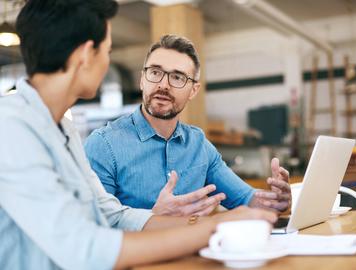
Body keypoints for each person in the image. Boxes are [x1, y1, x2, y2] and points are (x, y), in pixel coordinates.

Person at [0, 1, 278, 269]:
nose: (107, 63)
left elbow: (112, 214)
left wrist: (208, 223)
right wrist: (215, 228)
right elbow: (85, 248)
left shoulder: (63, 128)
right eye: (107, 51)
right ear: (86, 56)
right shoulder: (10, 127)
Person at [84, 34, 292, 217]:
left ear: (193, 90)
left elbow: (247, 200)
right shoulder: (103, 144)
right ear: (142, 80)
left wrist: (276, 201)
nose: (163, 84)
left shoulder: (199, 145)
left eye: (177, 77)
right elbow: (92, 225)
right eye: (155, 72)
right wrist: (153, 216)